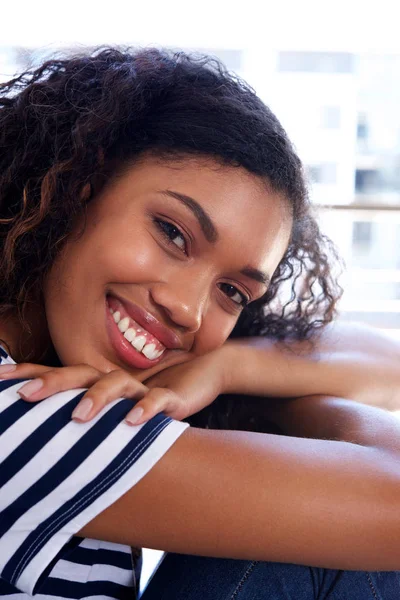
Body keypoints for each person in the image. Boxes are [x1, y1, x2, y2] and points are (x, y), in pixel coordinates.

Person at [1, 47, 400, 600]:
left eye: (232, 292)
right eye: (172, 233)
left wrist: (225, 366)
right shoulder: (22, 411)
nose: (187, 310)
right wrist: (256, 393)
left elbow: (387, 365)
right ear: (78, 185)